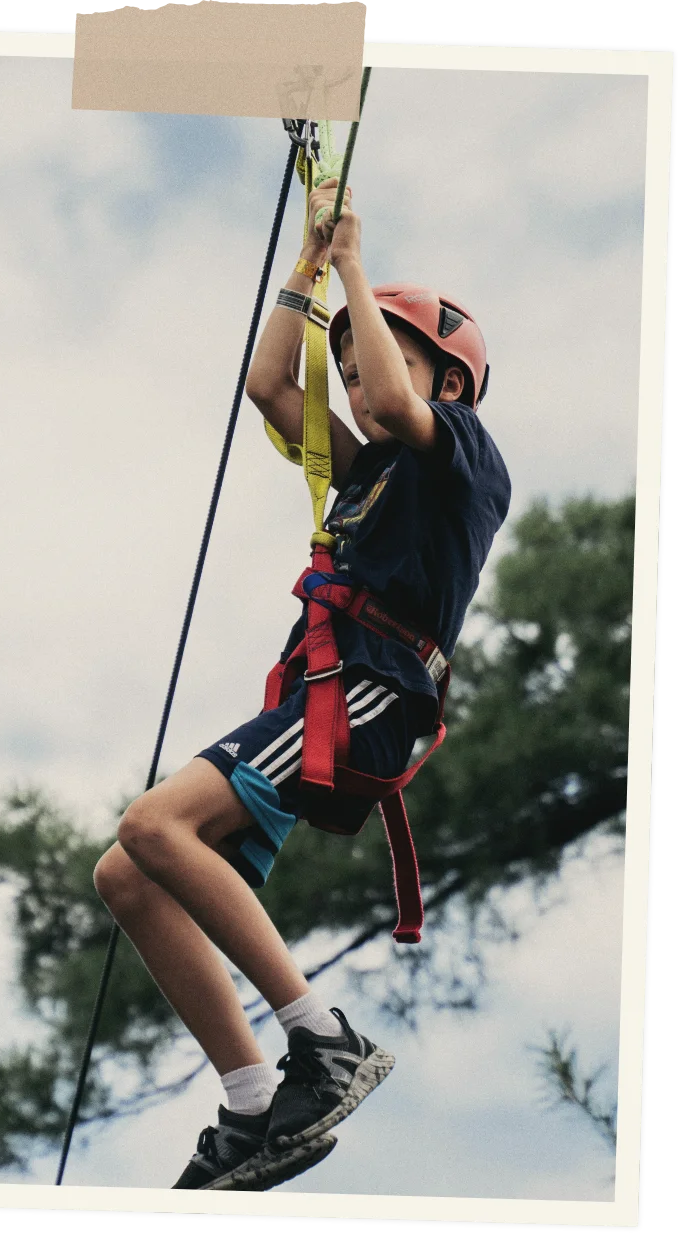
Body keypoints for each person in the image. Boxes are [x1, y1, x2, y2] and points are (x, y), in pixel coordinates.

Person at [92, 174, 512, 1192]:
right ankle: (247, 1100)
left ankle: (323, 1041)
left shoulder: (460, 453)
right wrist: (309, 267)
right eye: (357, 375)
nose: (361, 390)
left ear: (443, 382)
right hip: (318, 697)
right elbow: (269, 386)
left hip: (371, 691)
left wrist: (358, 267)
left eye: (383, 368)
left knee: (155, 824)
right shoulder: (362, 466)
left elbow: (404, 403)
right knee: (126, 874)